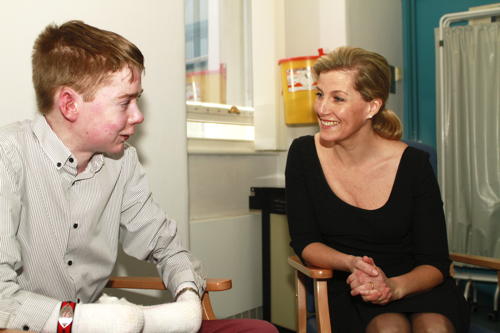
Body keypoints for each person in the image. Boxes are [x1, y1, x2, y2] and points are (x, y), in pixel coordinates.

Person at [0, 20, 277, 333]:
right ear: (69, 104)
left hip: (106, 324)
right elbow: (2, 300)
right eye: (124, 102)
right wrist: (97, 321)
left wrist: (187, 299)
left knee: (259, 330)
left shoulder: (122, 161)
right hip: (34, 328)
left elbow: (166, 246)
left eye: (137, 99)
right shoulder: (8, 158)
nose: (138, 115)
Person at [285, 46, 469, 333]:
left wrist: (393, 287)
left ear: (372, 107)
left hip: (414, 283)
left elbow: (434, 262)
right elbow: (306, 243)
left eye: (338, 98)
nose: (322, 108)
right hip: (351, 286)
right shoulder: (303, 155)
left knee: (434, 328)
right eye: (320, 94)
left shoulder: (413, 164)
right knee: (389, 329)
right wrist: (352, 263)